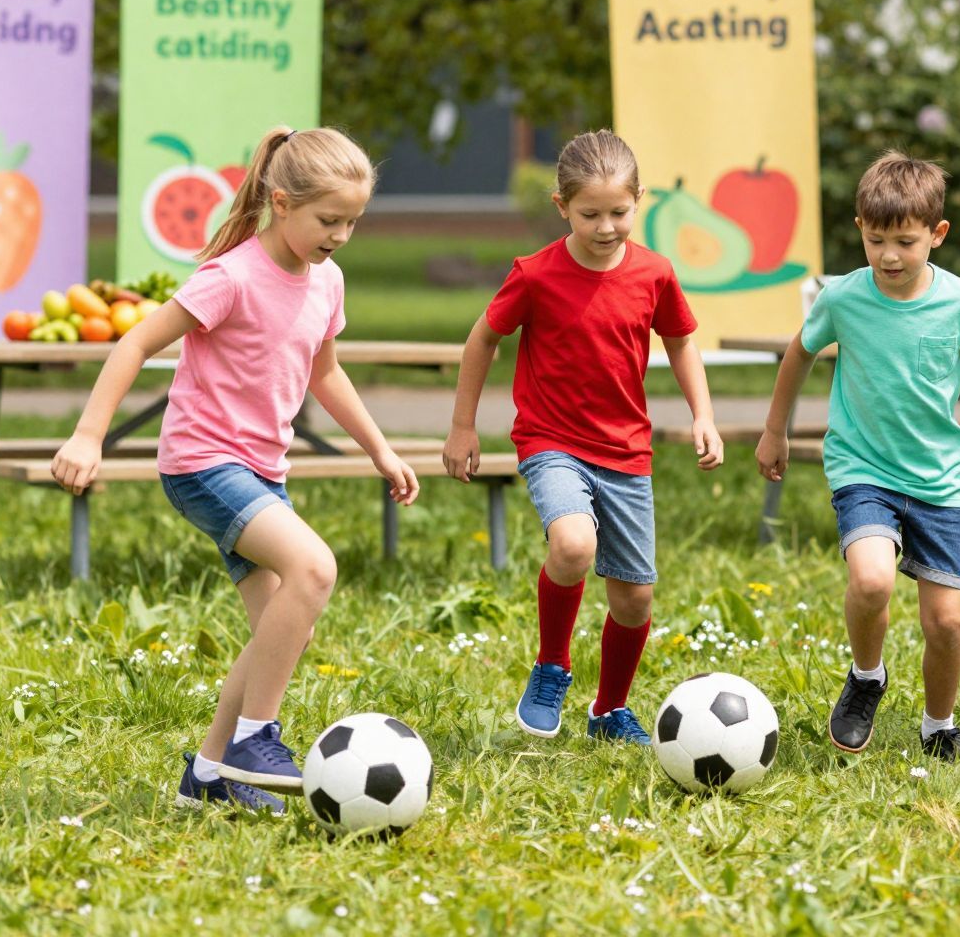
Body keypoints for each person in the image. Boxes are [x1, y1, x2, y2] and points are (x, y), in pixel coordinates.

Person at [53, 126, 418, 813]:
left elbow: (326, 373)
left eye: (353, 222)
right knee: (315, 569)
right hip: (201, 465)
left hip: (260, 472)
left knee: (289, 624)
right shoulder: (232, 276)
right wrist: (87, 435)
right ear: (281, 203)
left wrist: (382, 449)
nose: (340, 235)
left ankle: (210, 774)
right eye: (328, 219)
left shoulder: (327, 281)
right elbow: (135, 342)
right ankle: (257, 737)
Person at [444, 130, 723, 745]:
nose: (605, 227)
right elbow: (482, 339)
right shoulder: (536, 274)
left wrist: (702, 414)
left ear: (639, 201)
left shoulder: (654, 273)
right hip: (552, 441)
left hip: (627, 451)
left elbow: (680, 342)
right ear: (561, 206)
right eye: (589, 213)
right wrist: (464, 426)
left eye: (618, 213)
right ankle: (552, 667)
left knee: (636, 600)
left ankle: (609, 710)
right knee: (573, 545)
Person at [756, 151, 960, 768]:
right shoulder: (844, 297)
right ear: (859, 227)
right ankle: (866, 676)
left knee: (947, 624)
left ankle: (938, 726)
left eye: (905, 242)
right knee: (873, 579)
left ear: (937, 235)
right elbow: (798, 354)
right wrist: (775, 431)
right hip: (862, 467)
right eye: (875, 239)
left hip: (937, 478)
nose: (888, 256)